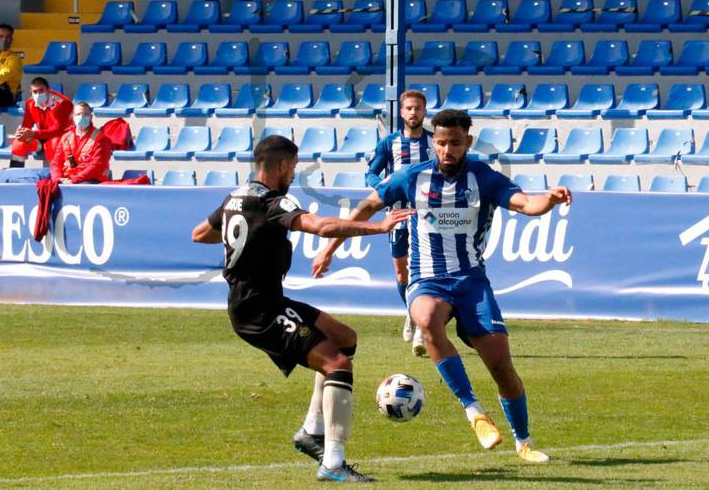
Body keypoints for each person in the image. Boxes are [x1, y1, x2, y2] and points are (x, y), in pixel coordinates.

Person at [313, 109, 573, 464]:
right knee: (426, 318)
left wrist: (551, 201)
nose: (447, 150)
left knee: (502, 368)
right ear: (433, 142)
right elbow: (366, 207)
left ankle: (524, 442)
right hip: (427, 279)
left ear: (467, 140)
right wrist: (329, 248)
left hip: (471, 281)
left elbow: (527, 203)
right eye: (440, 142)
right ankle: (474, 412)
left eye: (454, 142)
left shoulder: (484, 178)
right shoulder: (411, 177)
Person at [192, 135, 412, 483]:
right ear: (281, 166)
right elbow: (322, 226)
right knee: (337, 364)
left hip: (267, 301)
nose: (293, 174)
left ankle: (311, 431)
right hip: (258, 310)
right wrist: (380, 226)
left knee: (344, 339)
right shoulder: (271, 202)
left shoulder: (237, 197)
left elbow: (200, 233)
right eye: (293, 168)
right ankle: (333, 463)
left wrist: (243, 235)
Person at [366, 89, 433, 356]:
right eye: (408, 108)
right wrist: (383, 188)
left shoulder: (434, 142)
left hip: (426, 215)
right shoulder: (389, 143)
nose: (413, 112)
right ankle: (411, 312)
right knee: (401, 274)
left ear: (424, 111)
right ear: (402, 112)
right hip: (397, 215)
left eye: (418, 108)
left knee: (423, 271)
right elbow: (371, 172)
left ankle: (421, 326)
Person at [10, 77, 73, 168]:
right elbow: (26, 125)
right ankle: (14, 174)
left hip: (63, 137)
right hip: (42, 136)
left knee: (53, 143)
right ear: (30, 92)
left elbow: (58, 130)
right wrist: (22, 133)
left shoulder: (63, 103)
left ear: (48, 90)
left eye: (41, 90)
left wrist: (33, 134)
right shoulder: (30, 103)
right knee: (18, 143)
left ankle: (56, 176)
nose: (38, 94)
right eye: (35, 92)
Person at [50, 102, 112, 184]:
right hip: (69, 178)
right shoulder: (66, 137)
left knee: (77, 189)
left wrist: (74, 180)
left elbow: (97, 166)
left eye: (85, 114)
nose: (81, 117)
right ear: (73, 117)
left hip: (93, 179)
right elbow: (56, 162)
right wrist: (58, 178)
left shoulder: (101, 138)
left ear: (91, 117)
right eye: (78, 114)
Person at [0, 24, 22, 108]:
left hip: (5, 93)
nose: (4, 40)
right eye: (1, 36)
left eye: (7, 37)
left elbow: (3, 76)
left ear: (11, 40)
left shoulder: (14, 59)